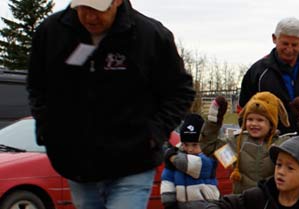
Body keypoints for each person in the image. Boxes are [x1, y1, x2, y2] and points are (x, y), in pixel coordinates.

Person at [26, 0, 195, 208]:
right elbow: (37, 86)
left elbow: (180, 90)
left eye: (98, 9)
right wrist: (49, 129)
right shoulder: (52, 32)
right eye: (83, 8)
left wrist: (154, 133)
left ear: (116, 2)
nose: (90, 17)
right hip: (77, 161)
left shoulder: (150, 36)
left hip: (134, 159)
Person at [200, 92, 299, 194]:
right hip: (243, 203)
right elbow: (209, 147)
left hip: (272, 204)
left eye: (260, 120)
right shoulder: (237, 143)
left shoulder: (283, 145)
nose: (254, 124)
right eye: (250, 119)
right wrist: (213, 120)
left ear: (272, 123)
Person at [239, 17, 299, 135]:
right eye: (285, 43)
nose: (289, 49)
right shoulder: (257, 72)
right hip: (273, 142)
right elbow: (243, 111)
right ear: (274, 39)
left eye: (295, 44)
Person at [205, 135, 299, 209]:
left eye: (290, 168)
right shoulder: (256, 197)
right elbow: (220, 205)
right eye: (278, 164)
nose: (281, 172)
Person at [161, 114, 219, 209]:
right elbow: (168, 178)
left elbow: (193, 165)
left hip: (207, 205)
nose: (190, 149)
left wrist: (171, 156)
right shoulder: (178, 157)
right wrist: (169, 202)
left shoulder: (208, 158)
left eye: (195, 145)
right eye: (186, 145)